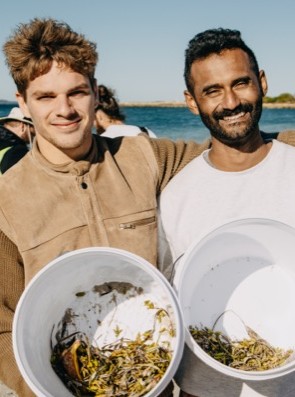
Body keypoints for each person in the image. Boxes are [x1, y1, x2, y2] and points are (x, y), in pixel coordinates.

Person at [0, 17, 212, 397]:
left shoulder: (143, 157)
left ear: (96, 94)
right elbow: (2, 323)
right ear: (23, 103)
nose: (64, 109)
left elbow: (231, 153)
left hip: (156, 378)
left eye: (77, 92)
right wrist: (39, 386)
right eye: (45, 96)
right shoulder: (6, 200)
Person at [159, 28, 295, 397]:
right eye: (212, 90)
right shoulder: (176, 197)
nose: (231, 101)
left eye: (241, 83)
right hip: (204, 388)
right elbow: (170, 299)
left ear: (262, 82)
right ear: (191, 101)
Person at [0, 107, 34, 173]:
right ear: (23, 127)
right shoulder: (19, 152)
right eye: (33, 130)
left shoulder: (4, 144)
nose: (35, 134)